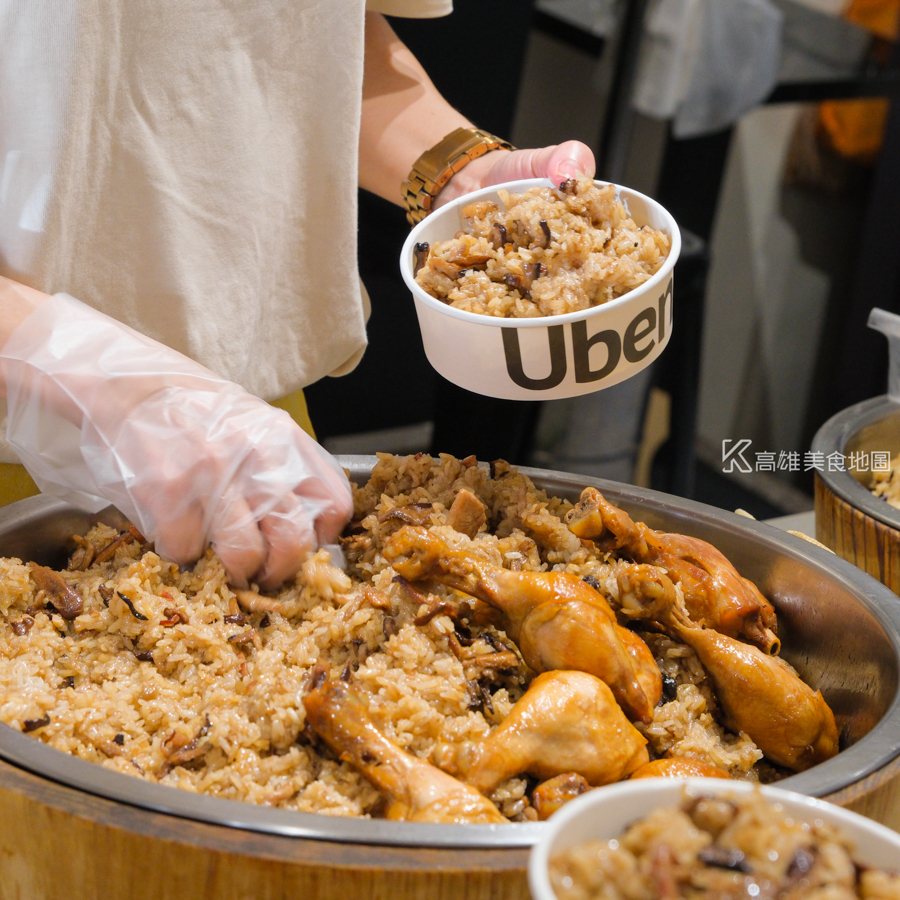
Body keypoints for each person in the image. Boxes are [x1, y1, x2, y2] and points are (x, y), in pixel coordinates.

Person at [0, 2, 595, 589]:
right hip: (24, 450)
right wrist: (106, 384)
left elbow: (290, 39)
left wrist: (458, 176)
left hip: (259, 438)